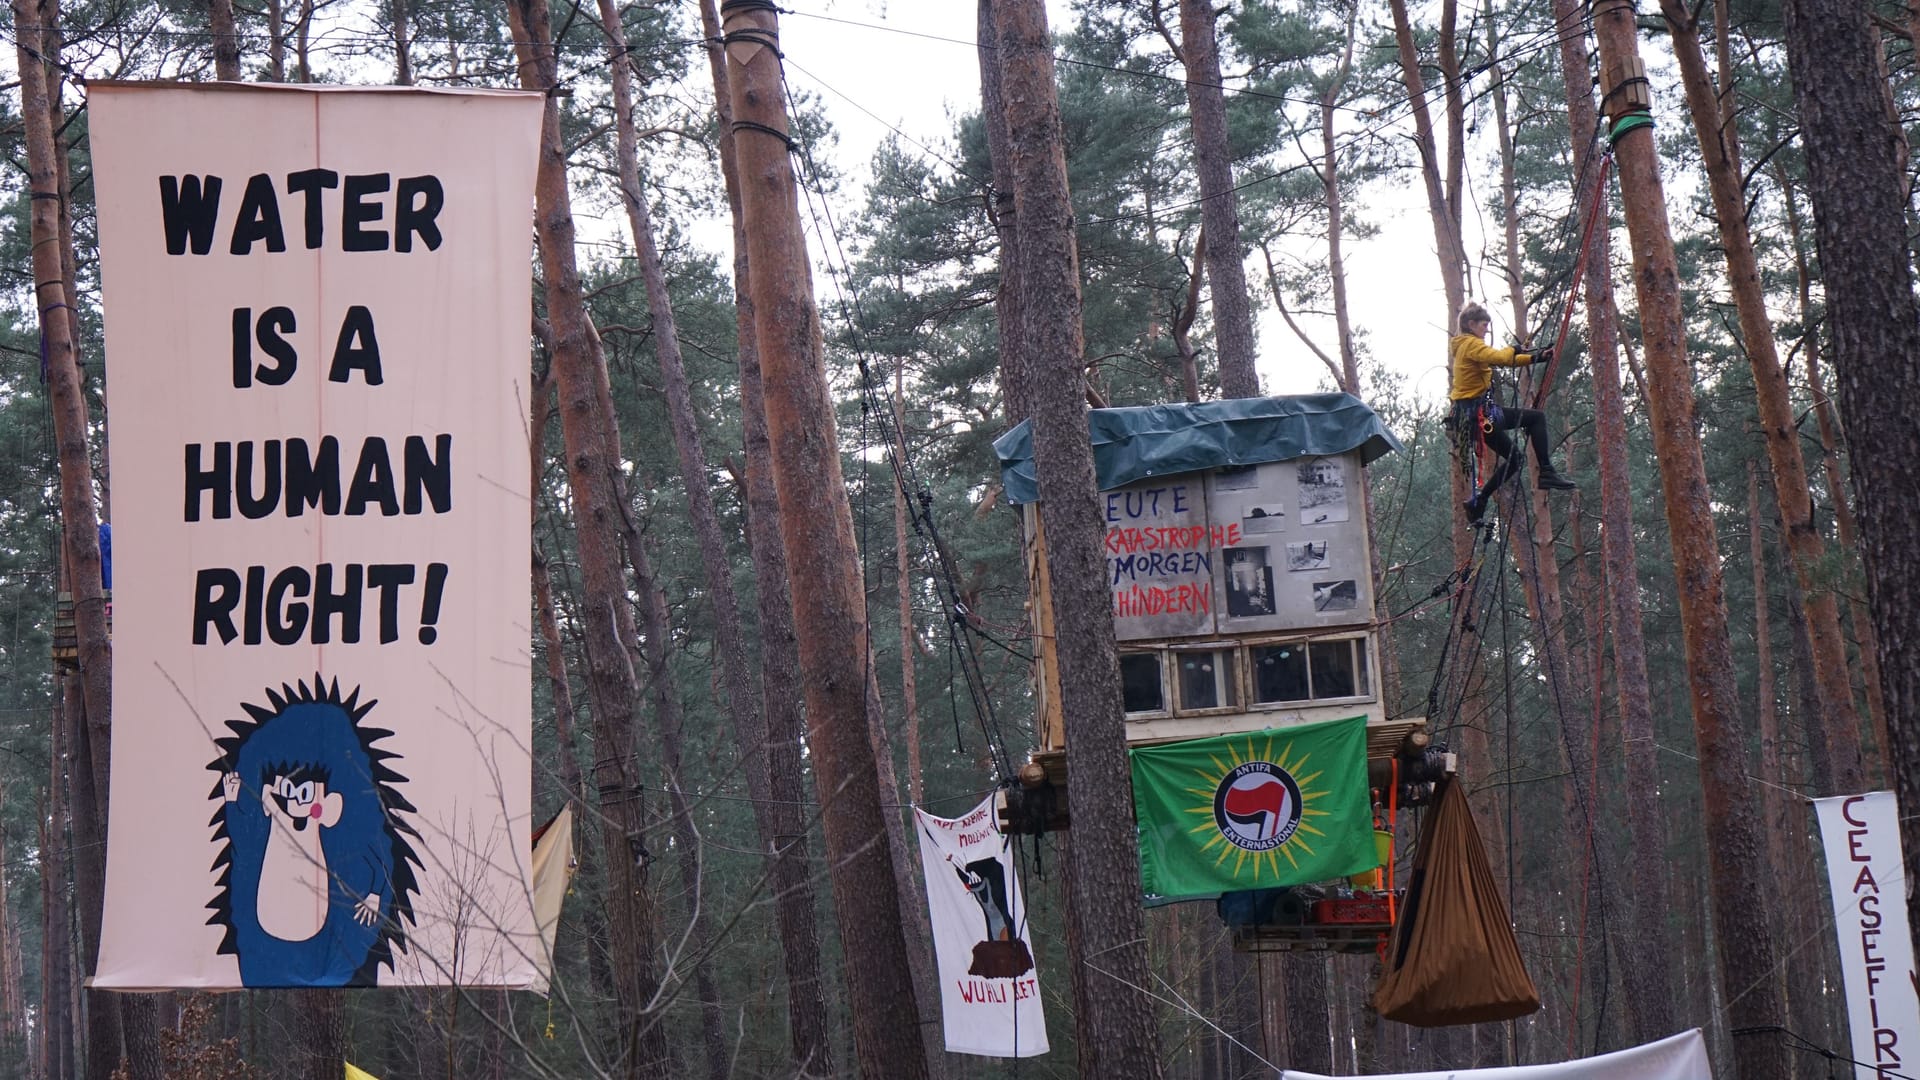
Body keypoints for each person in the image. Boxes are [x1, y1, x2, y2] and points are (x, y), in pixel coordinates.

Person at [1450, 301, 1575, 523]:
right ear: (1471, 324)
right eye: (1483, 325)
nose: (1486, 329)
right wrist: (1515, 350)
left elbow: (1504, 359)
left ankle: (1478, 501)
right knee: (1536, 418)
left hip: (1479, 415)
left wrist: (1536, 358)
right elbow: (1500, 358)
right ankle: (1546, 471)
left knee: (1515, 459)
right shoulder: (1470, 344)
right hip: (1480, 415)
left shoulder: (1468, 346)